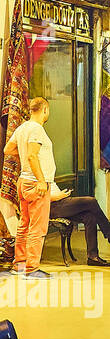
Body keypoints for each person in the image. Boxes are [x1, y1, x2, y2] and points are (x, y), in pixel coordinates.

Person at [4, 96, 60, 279]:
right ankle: (32, 268)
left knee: (24, 225)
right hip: (36, 184)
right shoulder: (36, 129)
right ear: (45, 109)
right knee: (37, 227)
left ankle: (19, 265)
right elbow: (32, 156)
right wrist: (42, 180)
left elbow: (8, 150)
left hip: (24, 182)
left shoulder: (22, 128)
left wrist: (24, 156)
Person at [48, 195, 110, 265]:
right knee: (91, 201)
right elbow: (38, 197)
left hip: (61, 201)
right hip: (52, 206)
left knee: (89, 217)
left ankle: (93, 257)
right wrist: (58, 196)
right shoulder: (38, 177)